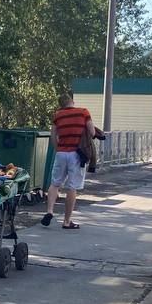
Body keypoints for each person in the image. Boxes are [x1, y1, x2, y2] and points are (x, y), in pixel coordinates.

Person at [41, 94, 91, 229]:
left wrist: (58, 149)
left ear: (61, 105)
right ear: (72, 102)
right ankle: (67, 221)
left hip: (61, 153)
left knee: (55, 183)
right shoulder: (83, 112)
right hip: (76, 154)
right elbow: (92, 132)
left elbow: (53, 136)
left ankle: (50, 211)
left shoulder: (57, 115)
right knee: (72, 187)